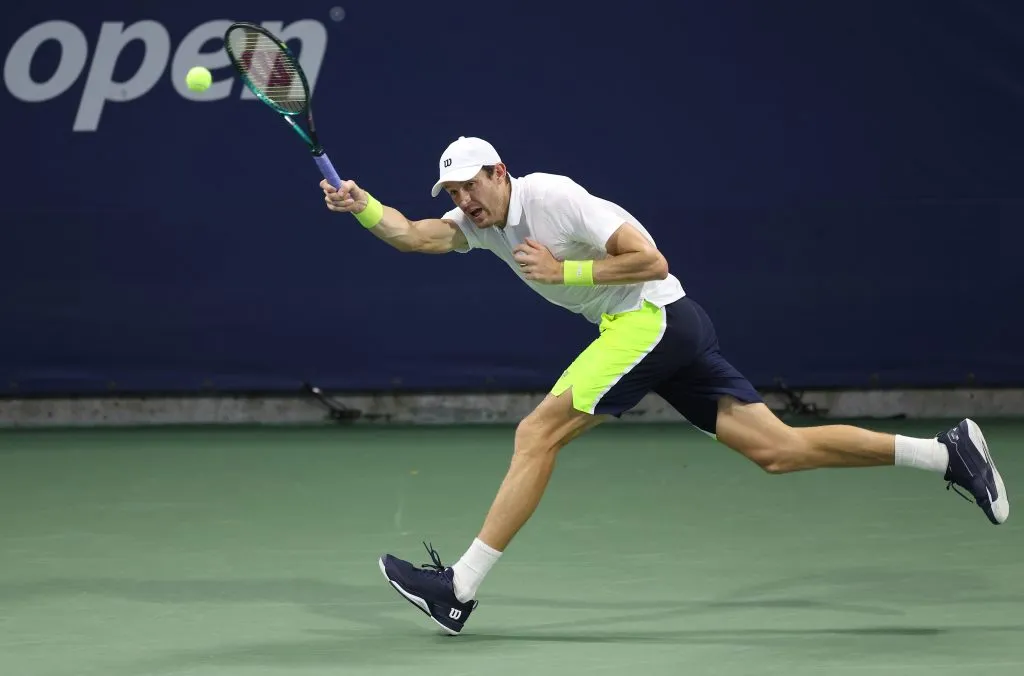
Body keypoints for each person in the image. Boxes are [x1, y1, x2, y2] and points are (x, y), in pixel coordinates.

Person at [320, 136, 1010, 636]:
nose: (465, 201)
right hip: (665, 330)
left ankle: (458, 590)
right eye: (455, 193)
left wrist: (569, 275)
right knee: (779, 450)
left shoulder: (552, 198)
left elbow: (650, 258)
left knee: (537, 432)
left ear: (501, 172)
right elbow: (414, 237)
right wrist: (363, 206)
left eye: (473, 184)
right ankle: (947, 453)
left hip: (649, 320)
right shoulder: (482, 227)